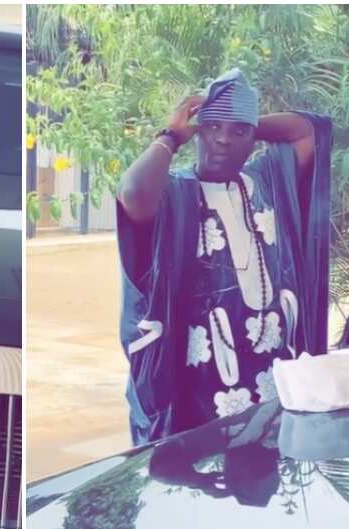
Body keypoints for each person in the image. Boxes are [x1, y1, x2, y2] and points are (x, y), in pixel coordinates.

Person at [115, 68, 334, 446]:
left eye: (238, 132)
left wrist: (245, 121)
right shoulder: (175, 194)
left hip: (273, 391)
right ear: (198, 133)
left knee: (266, 488)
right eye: (212, 128)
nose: (222, 140)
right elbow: (133, 192)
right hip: (195, 399)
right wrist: (173, 134)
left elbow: (307, 131)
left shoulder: (267, 181)